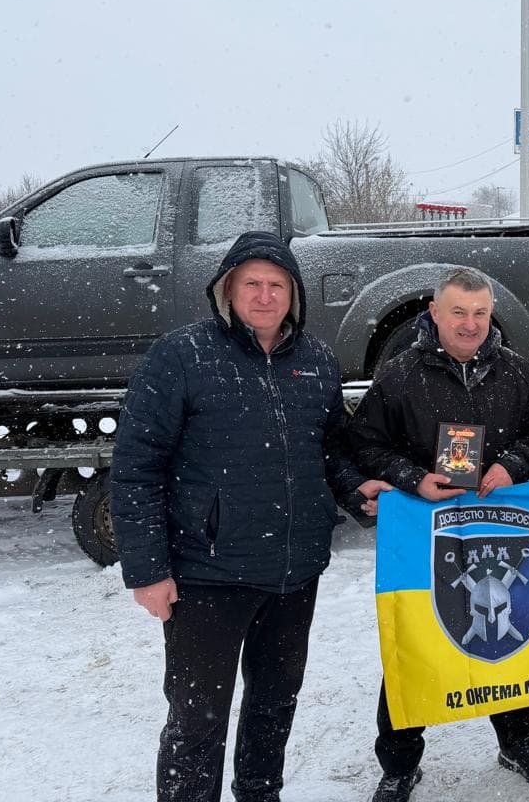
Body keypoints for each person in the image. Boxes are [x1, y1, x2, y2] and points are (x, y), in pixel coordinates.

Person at [110, 230, 368, 802]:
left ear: (293, 295)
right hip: (208, 573)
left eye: (278, 284)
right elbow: (136, 466)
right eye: (251, 282)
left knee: (275, 702)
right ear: (228, 289)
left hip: (294, 571)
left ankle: (260, 792)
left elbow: (331, 451)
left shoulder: (317, 361)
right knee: (197, 718)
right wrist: (148, 569)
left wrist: (360, 493)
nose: (265, 294)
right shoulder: (182, 355)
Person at [346, 266, 529, 802]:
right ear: (435, 314)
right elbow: (364, 444)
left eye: (480, 313)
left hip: (501, 530)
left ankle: (518, 740)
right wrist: (410, 478)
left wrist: (513, 465)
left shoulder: (514, 371)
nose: (470, 324)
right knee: (417, 640)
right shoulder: (399, 376)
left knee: (512, 639)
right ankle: (398, 762)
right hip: (429, 534)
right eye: (459, 313)